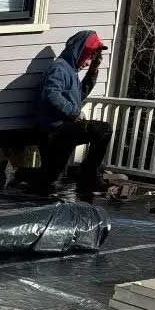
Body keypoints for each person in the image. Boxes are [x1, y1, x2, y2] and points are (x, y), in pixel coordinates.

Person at [36, 30, 112, 197]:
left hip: (63, 129)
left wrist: (93, 70)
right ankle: (88, 176)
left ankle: (19, 174)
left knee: (51, 177)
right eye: (89, 56)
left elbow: (79, 96)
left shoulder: (71, 72)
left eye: (92, 57)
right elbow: (51, 94)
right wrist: (74, 113)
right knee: (103, 130)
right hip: (54, 131)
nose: (89, 61)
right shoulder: (60, 68)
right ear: (79, 51)